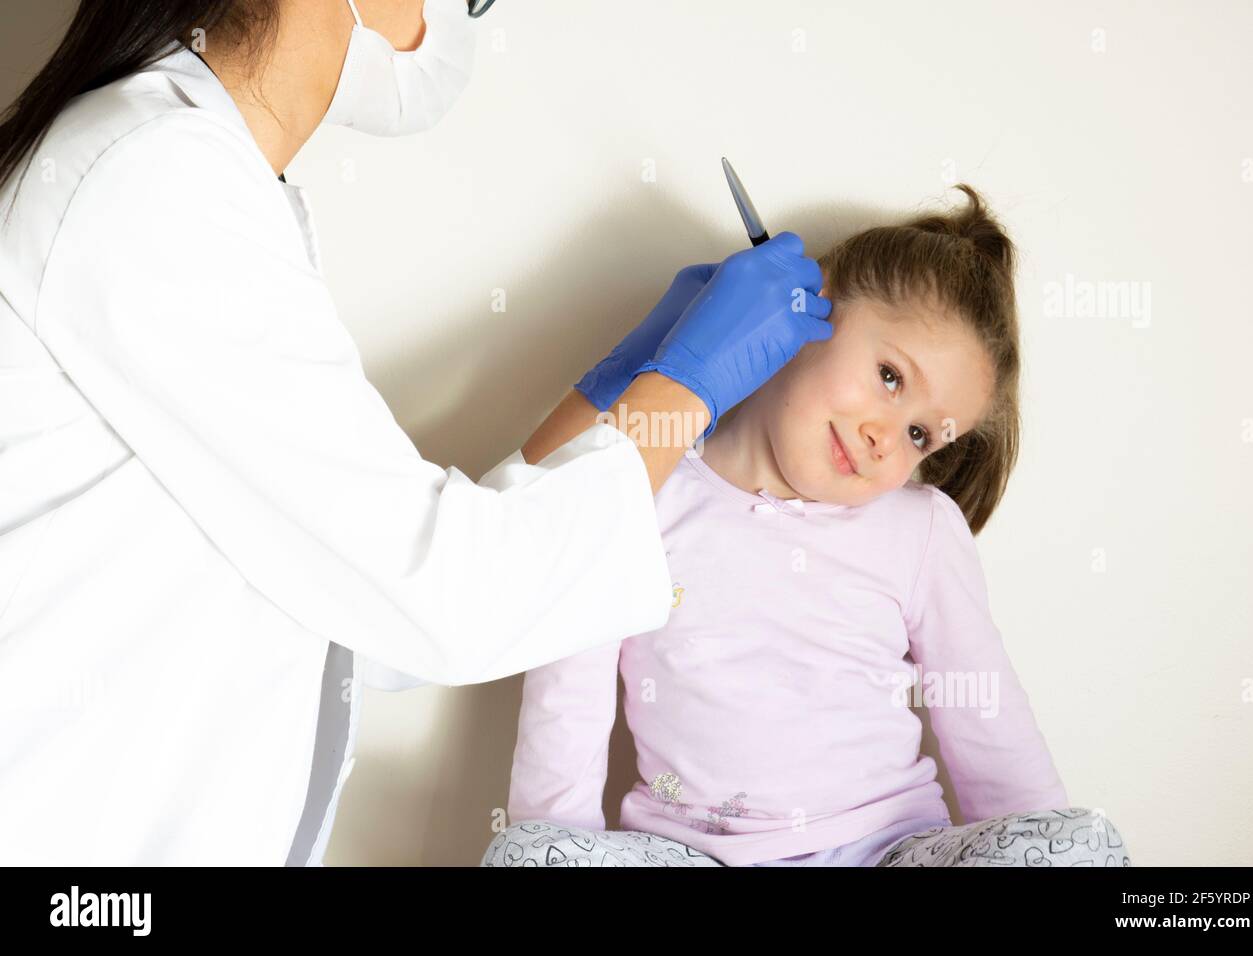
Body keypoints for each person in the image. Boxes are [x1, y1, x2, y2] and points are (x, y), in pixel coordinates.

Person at [0, 0, 831, 864]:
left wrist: (623, 394)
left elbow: (365, 610)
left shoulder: (201, 177)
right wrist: (688, 388)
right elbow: (440, 596)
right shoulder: (161, 180)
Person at [482, 185, 1133, 867]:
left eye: (921, 433)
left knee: (1078, 844)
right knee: (528, 855)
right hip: (693, 853)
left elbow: (989, 723)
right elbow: (569, 701)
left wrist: (1041, 849)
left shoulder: (922, 529)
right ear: (803, 314)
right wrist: (550, 841)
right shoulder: (642, 489)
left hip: (889, 851)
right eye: (889, 376)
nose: (888, 439)